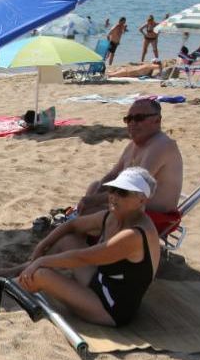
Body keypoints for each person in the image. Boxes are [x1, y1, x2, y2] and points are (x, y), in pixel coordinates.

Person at [16, 168, 159, 326]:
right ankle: (16, 272)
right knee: (68, 240)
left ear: (142, 200)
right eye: (113, 189)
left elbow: (84, 257)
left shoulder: (134, 235)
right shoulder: (112, 217)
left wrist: (41, 260)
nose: (114, 196)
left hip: (112, 307)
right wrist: (42, 245)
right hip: (101, 281)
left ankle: (10, 283)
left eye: (123, 192)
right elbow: (72, 224)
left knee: (41, 275)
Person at [78, 99, 183, 234]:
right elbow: (112, 175)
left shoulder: (162, 145)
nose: (132, 123)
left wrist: (91, 200)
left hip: (153, 217)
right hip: (131, 205)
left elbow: (132, 189)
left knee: (90, 213)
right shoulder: (135, 145)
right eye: (129, 119)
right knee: (95, 186)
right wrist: (95, 193)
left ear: (157, 120)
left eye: (139, 118)